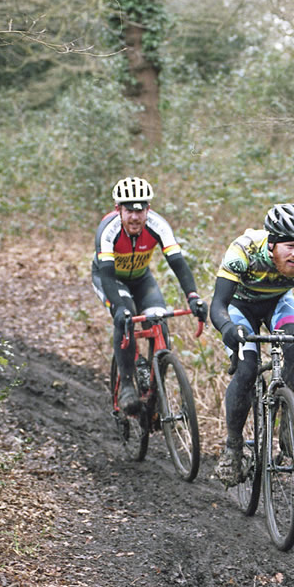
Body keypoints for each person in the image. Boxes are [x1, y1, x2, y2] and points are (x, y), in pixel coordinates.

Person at [209, 203, 294, 485]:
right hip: (239, 308)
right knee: (247, 367)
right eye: (290, 246)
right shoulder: (243, 251)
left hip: (278, 303)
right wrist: (227, 328)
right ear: (271, 244)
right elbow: (218, 304)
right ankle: (233, 449)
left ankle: (287, 428)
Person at [92, 177, 208, 416]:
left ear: (148, 209)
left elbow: (178, 263)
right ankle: (126, 385)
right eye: (128, 210)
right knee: (124, 317)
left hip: (142, 278)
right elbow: (106, 273)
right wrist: (119, 308)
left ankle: (156, 389)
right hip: (111, 279)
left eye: (140, 210)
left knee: (158, 321)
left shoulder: (158, 225)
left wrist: (193, 296)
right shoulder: (108, 231)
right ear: (118, 210)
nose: (135, 217)